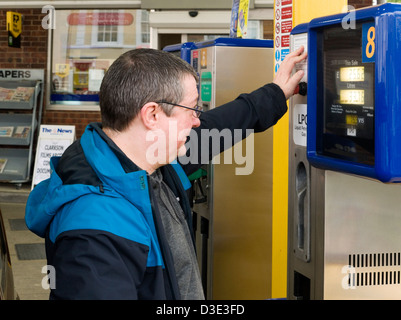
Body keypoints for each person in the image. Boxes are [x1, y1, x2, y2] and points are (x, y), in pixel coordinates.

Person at [25, 46, 306, 300]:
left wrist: (276, 92)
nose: (197, 120)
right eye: (192, 109)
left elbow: (222, 125)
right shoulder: (94, 226)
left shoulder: (147, 159)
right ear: (152, 115)